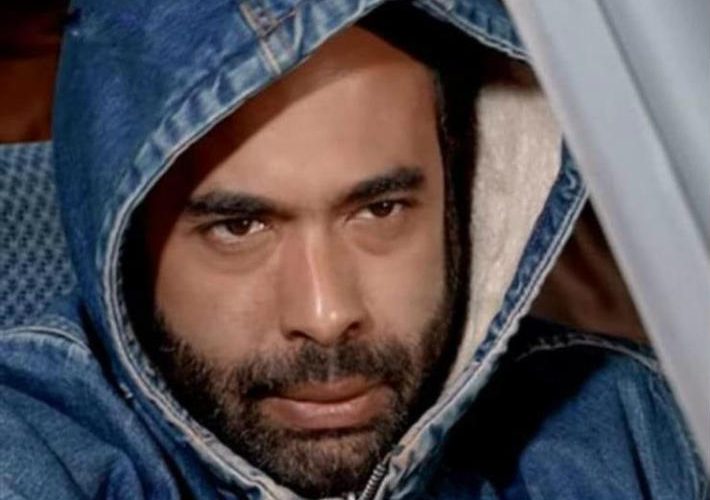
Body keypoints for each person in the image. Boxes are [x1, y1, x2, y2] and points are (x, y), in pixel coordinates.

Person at [0, 1, 707, 499]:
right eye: (239, 227)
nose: (326, 312)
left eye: (379, 210)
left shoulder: (633, 430)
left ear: (464, 187)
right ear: (125, 247)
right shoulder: (36, 450)